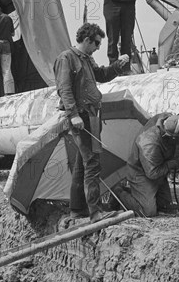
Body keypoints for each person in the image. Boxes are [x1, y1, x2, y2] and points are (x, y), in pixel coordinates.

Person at [54, 22, 130, 223]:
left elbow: (102, 76)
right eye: (96, 43)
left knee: (82, 164)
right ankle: (95, 213)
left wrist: (117, 67)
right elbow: (65, 89)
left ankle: (78, 210)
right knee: (93, 164)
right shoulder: (67, 58)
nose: (98, 47)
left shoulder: (86, 59)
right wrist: (73, 115)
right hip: (82, 117)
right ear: (86, 40)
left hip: (91, 116)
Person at [126, 112, 179, 217]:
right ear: (171, 136)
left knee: (164, 205)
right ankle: (119, 193)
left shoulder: (167, 118)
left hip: (158, 165)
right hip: (141, 173)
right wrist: (178, 161)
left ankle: (138, 194)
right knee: (148, 211)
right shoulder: (149, 144)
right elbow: (152, 173)